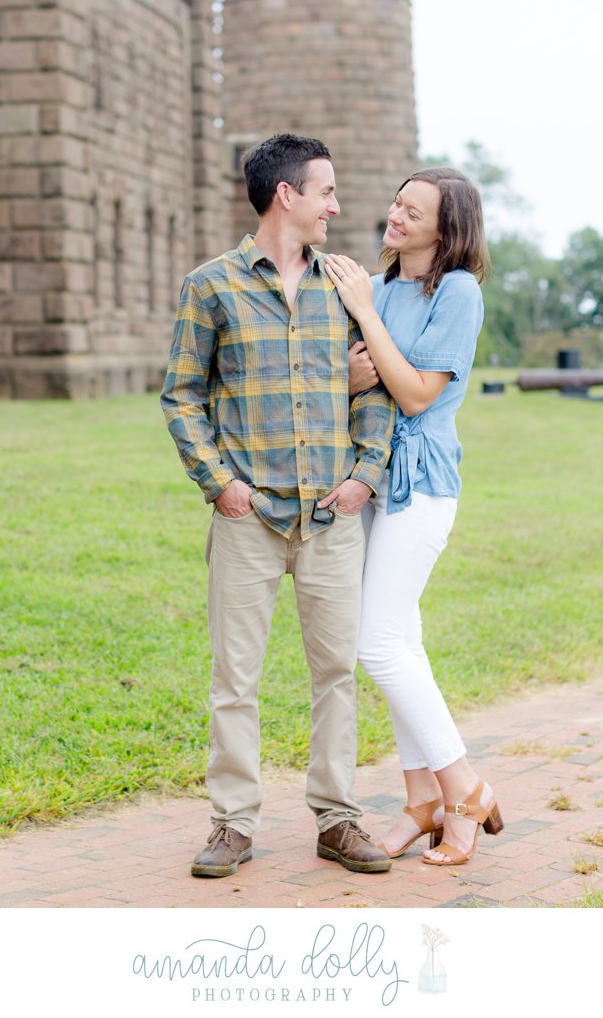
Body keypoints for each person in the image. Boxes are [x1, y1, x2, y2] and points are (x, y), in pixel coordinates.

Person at [161, 134, 396, 879]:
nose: (335, 205)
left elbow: (378, 384)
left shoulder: (349, 286)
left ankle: (337, 817)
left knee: (335, 674)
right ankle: (232, 824)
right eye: (325, 190)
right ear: (285, 195)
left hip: (332, 519)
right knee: (235, 680)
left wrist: (364, 472)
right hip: (247, 519)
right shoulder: (212, 287)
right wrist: (217, 481)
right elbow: (181, 395)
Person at [321, 166, 499, 867]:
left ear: (445, 228)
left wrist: (365, 319)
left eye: (413, 211)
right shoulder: (381, 286)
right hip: (370, 478)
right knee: (403, 645)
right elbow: (355, 377)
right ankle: (421, 803)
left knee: (378, 645)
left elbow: (419, 393)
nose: (395, 217)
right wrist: (351, 369)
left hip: (422, 485)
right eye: (396, 203)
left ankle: (463, 786)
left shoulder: (455, 292)